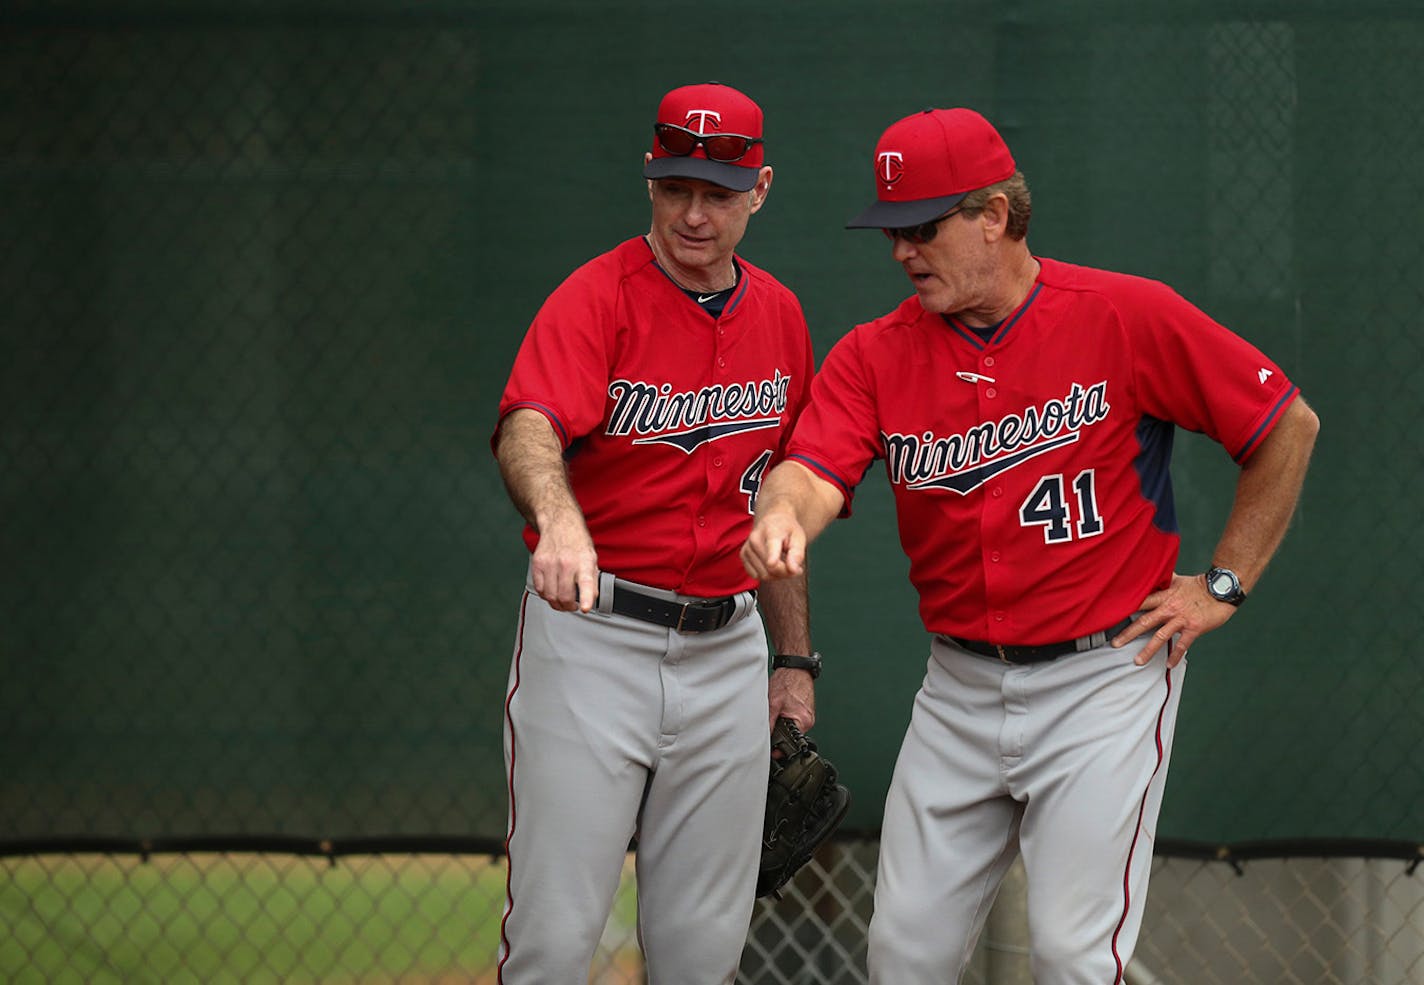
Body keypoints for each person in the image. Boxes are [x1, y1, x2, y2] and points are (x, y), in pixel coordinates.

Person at [741, 107, 1319, 984]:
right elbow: (812, 469)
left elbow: (1285, 426)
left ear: (995, 216)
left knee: (1073, 953)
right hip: (959, 687)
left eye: (921, 227)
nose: (901, 251)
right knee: (904, 954)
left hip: (1104, 681)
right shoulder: (874, 355)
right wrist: (784, 513)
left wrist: (1224, 583)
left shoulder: (1122, 316)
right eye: (891, 231)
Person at [491, 81, 818, 984]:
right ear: (648, 179)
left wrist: (793, 662)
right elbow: (529, 422)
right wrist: (558, 516)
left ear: (761, 189)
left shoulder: (783, 315)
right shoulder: (595, 298)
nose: (694, 213)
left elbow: (779, 507)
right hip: (597, 642)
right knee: (555, 940)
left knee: (701, 952)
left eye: (718, 193)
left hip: (727, 652)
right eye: (677, 188)